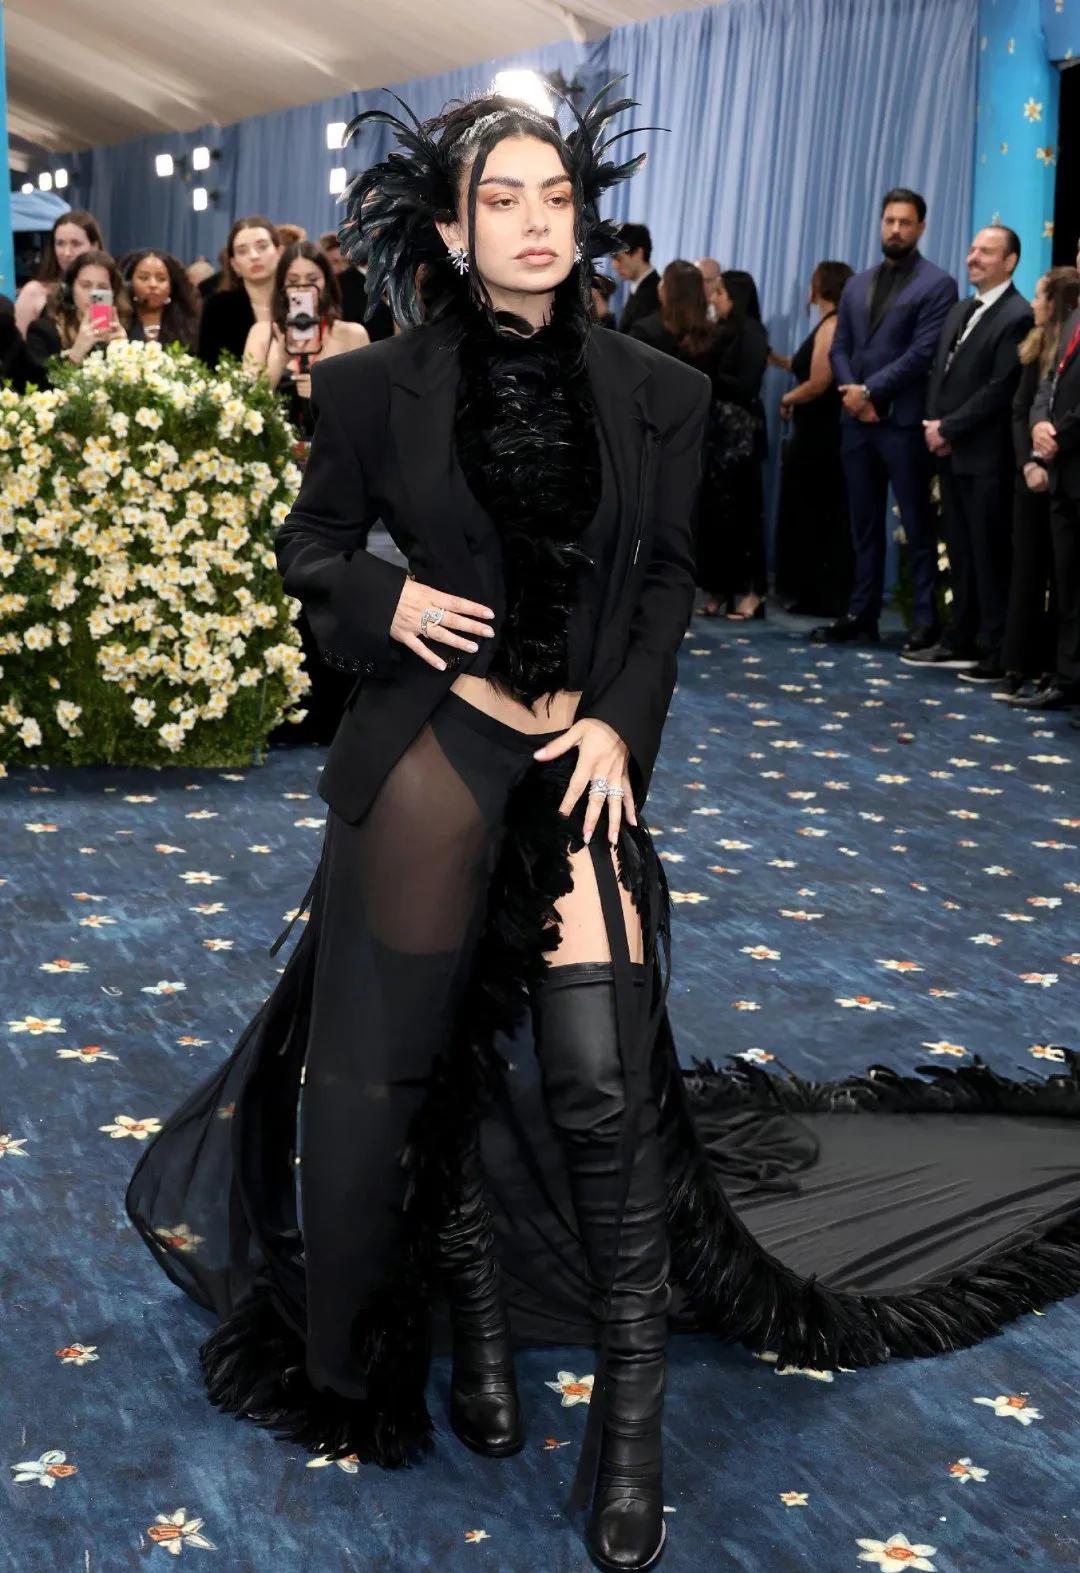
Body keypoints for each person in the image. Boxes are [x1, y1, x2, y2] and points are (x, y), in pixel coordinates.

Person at [124, 84, 1080, 1573]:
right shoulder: (376, 385)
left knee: (600, 1070)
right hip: (439, 741)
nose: (535, 222)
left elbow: (667, 583)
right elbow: (312, 546)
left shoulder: (660, 392)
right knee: (398, 1056)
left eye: (556, 198)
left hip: (578, 752)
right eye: (502, 199)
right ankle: (436, 1330)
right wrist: (384, 598)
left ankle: (631, 1413)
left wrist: (623, 724)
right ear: (454, 229)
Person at [813, 188, 958, 647]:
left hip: (902, 423)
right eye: (890, 220)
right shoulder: (857, 284)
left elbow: (923, 352)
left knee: (917, 525)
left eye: (905, 222)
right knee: (864, 525)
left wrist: (870, 392)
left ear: (921, 227)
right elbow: (839, 347)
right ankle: (862, 614)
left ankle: (925, 621)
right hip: (857, 422)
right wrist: (853, 393)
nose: (895, 229)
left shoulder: (938, 283)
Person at [907, 226, 1032, 682]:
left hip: (985, 457)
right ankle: (960, 637)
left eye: (986, 251)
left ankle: (995, 648)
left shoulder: (1017, 315)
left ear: (1010, 261)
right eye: (973, 249)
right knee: (959, 550)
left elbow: (999, 388)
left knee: (988, 553)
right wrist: (933, 424)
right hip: (950, 451)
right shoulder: (962, 308)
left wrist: (949, 427)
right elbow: (939, 373)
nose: (973, 257)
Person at [998, 267, 1080, 701]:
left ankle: (1059, 672)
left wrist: (1056, 441)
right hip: (1042, 471)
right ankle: (1036, 670)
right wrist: (1034, 447)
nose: (1033, 304)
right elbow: (1035, 399)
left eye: (1039, 296)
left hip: (1066, 466)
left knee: (1067, 585)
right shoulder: (1046, 339)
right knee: (1043, 577)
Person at [773, 261, 854, 617]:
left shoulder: (831, 324)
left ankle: (817, 593)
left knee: (813, 510)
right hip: (818, 432)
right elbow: (804, 365)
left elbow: (820, 381)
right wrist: (777, 360)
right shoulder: (830, 325)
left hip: (819, 435)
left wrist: (788, 398)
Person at [242, 239, 370, 438]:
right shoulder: (262, 334)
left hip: (335, 448)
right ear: (282, 286)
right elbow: (245, 405)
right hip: (275, 449)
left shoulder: (352, 335)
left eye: (312, 279)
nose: (302, 288)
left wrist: (327, 395)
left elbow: (369, 405)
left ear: (326, 282)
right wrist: (279, 361)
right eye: (293, 281)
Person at [1029, 239, 1080, 717]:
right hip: (1064, 473)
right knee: (1067, 585)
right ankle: (1067, 679)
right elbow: (1050, 382)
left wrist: (1059, 435)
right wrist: (1040, 425)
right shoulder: (1074, 318)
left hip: (1072, 455)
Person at [704, 268, 769, 620]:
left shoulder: (753, 332)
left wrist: (710, 374)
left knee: (745, 514)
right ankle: (720, 588)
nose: (714, 299)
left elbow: (748, 383)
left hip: (742, 437)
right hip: (718, 436)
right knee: (718, 515)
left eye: (720, 293)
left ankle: (753, 591)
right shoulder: (721, 331)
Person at [22, 248, 129, 388]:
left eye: (102, 288)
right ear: (70, 289)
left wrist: (124, 353)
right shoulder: (43, 331)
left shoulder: (125, 326)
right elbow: (36, 388)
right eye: (85, 286)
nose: (93, 294)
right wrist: (75, 355)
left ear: (113, 293)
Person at [196, 216, 281, 368]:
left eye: (262, 247)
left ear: (279, 252)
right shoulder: (218, 308)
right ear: (234, 264)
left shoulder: (297, 300)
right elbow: (208, 365)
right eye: (242, 251)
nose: (254, 256)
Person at [14, 209, 105, 337]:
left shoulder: (107, 291)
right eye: (60, 243)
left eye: (76, 244)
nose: (66, 252)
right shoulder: (34, 292)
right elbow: (17, 345)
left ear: (94, 246)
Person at [320, 229, 396, 341]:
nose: (341, 267)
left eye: (344, 261)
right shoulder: (340, 287)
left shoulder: (387, 281)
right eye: (335, 262)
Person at [122, 249, 201, 350]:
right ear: (129, 282)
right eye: (144, 278)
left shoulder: (190, 325)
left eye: (161, 279)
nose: (153, 285)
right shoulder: (119, 320)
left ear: (172, 285)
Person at [613, 222, 659, 333]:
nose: (614, 266)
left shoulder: (653, 294)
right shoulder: (639, 287)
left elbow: (631, 339)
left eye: (619, 259)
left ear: (638, 253)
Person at [695, 256, 723, 321]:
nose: (702, 285)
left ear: (719, 282)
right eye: (697, 280)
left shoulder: (724, 311)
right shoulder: (683, 307)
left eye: (707, 281)